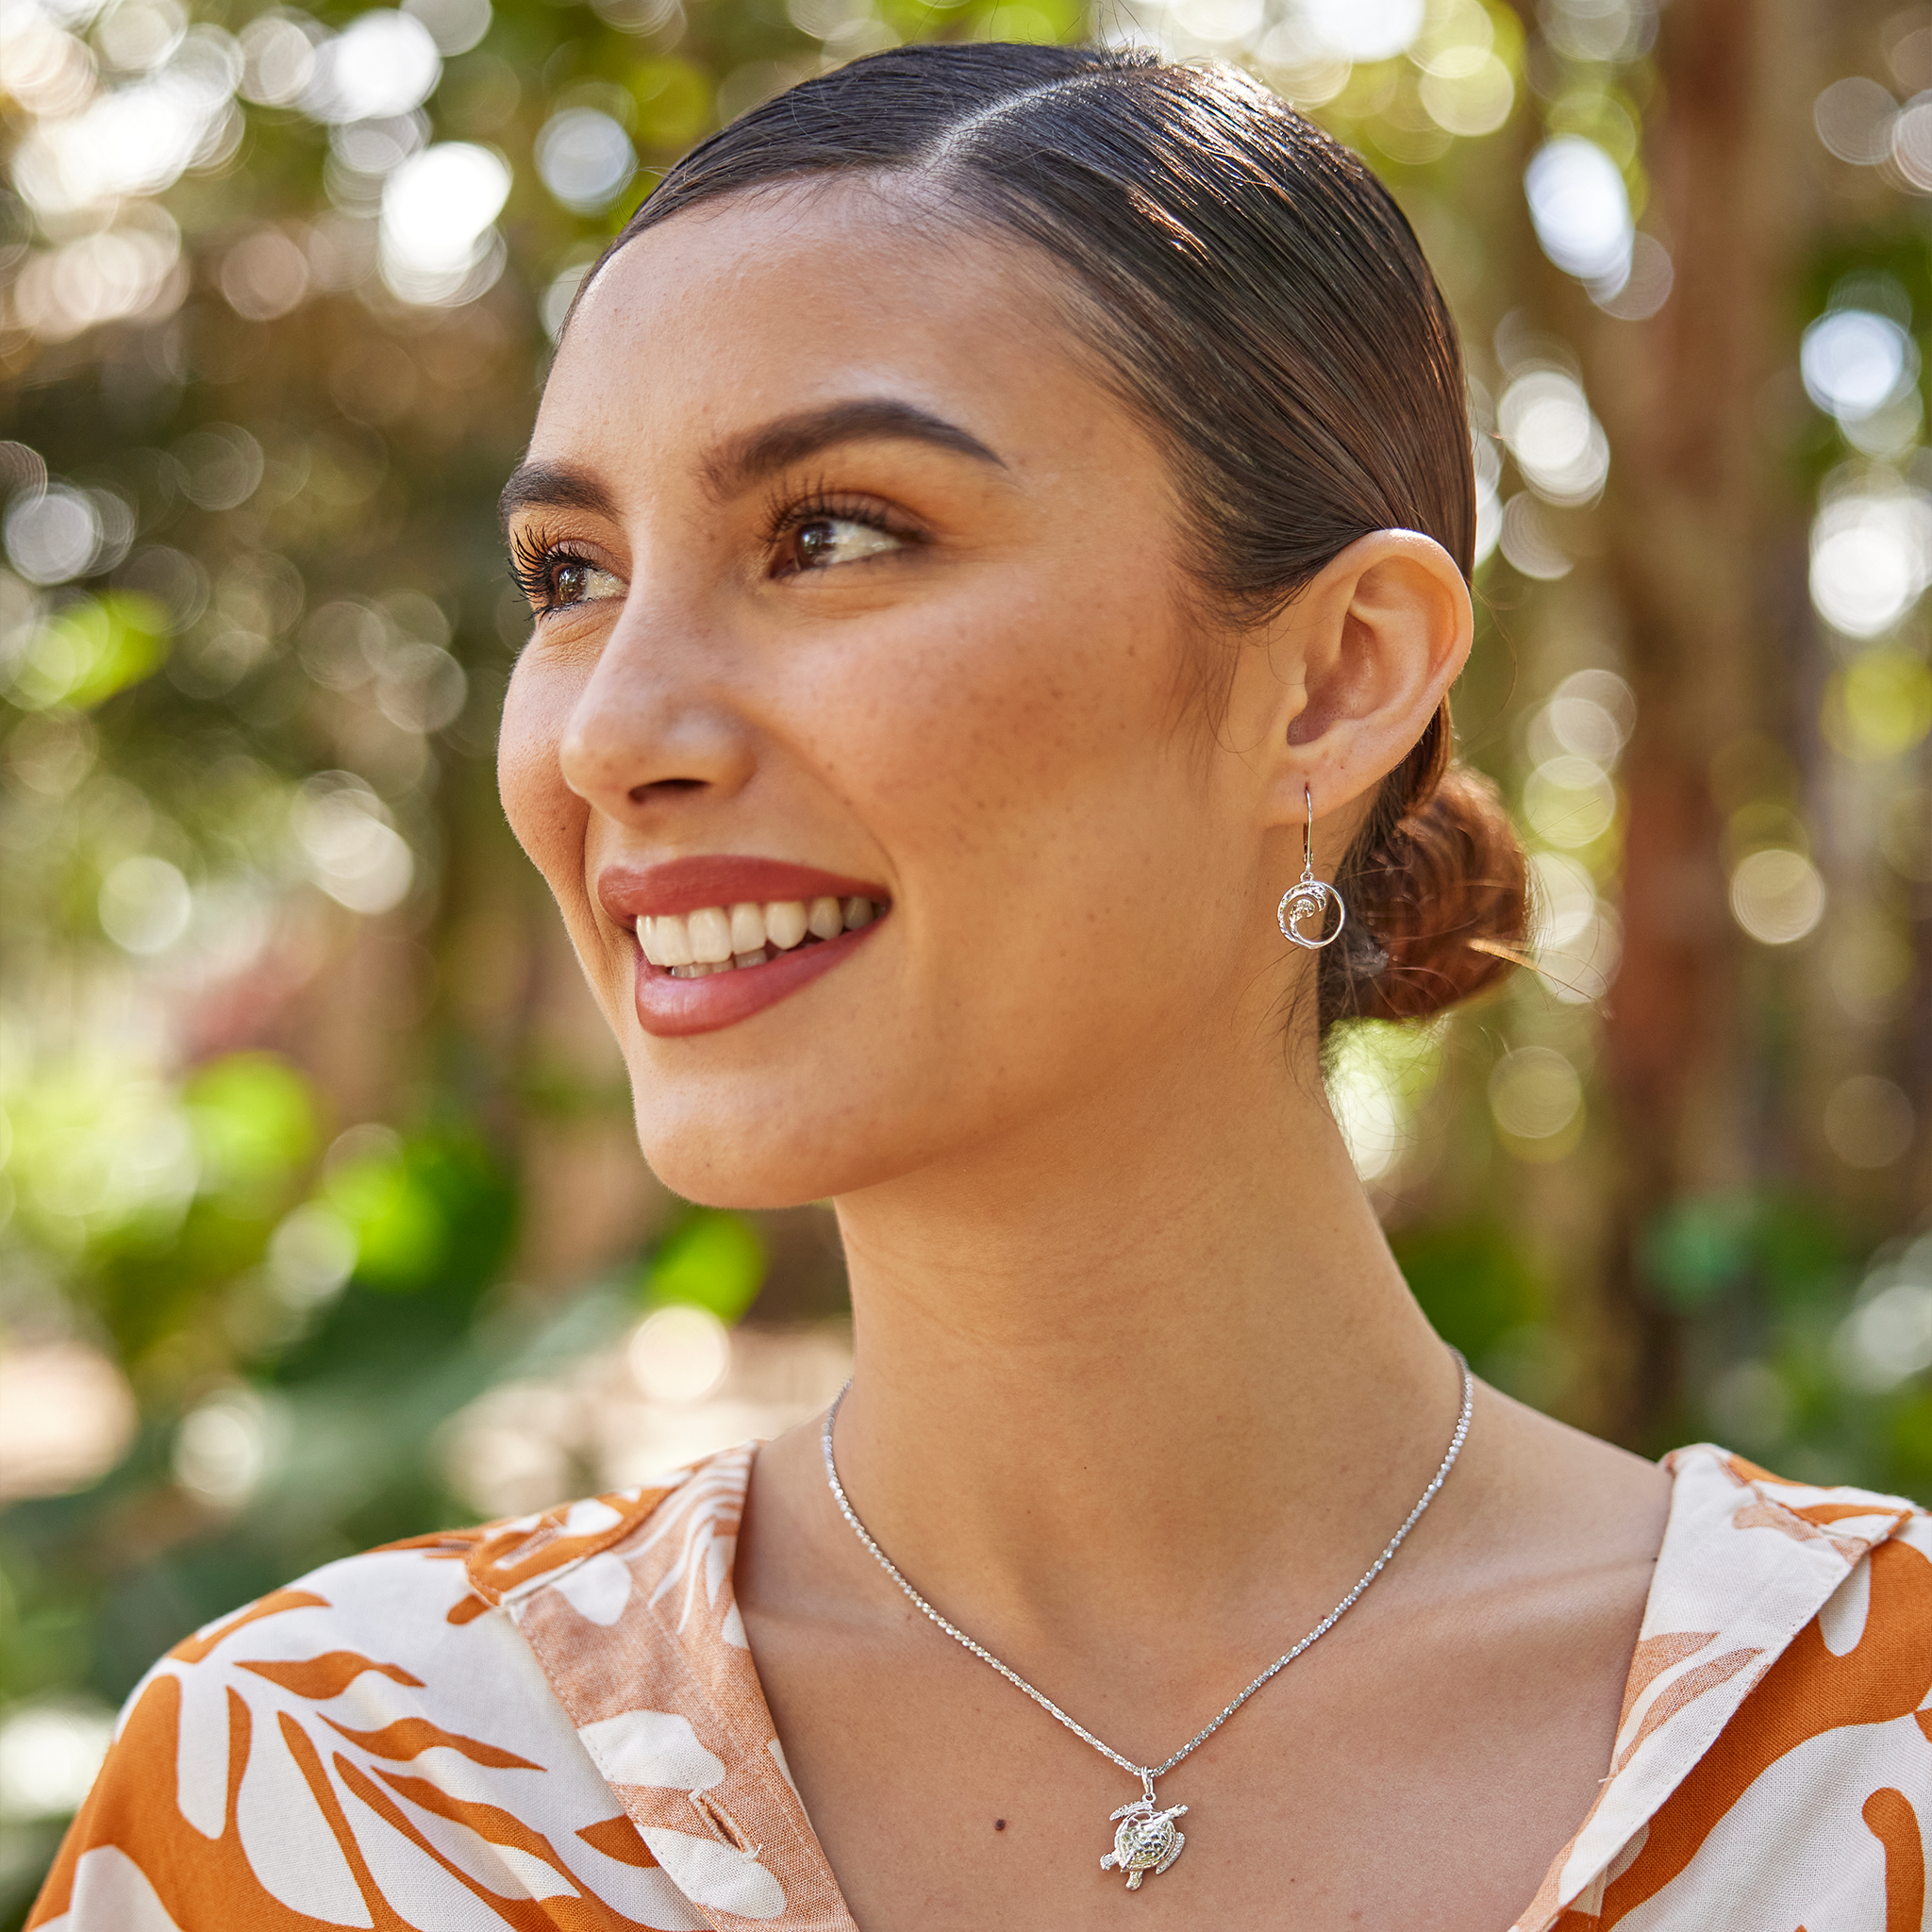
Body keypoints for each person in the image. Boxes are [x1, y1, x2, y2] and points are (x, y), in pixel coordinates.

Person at [32, 42, 1932, 1932]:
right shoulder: (333, 1792)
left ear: (1337, 677)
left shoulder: (1869, 1747)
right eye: (569, 572)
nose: (612, 733)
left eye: (830, 535)